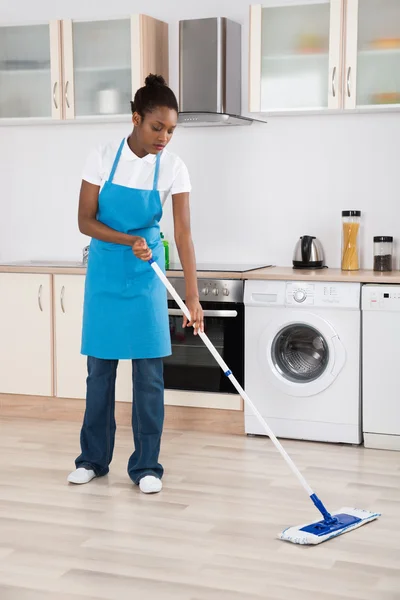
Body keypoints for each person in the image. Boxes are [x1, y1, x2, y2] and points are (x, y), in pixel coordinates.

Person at [68, 74, 203, 494]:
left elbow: (182, 234)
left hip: (147, 275)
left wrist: (192, 298)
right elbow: (84, 221)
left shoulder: (174, 168)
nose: (165, 137)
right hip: (107, 270)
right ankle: (92, 459)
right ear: (136, 118)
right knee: (100, 373)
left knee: (148, 376)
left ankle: (147, 466)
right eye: (157, 127)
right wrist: (129, 239)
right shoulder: (103, 156)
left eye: (171, 131)